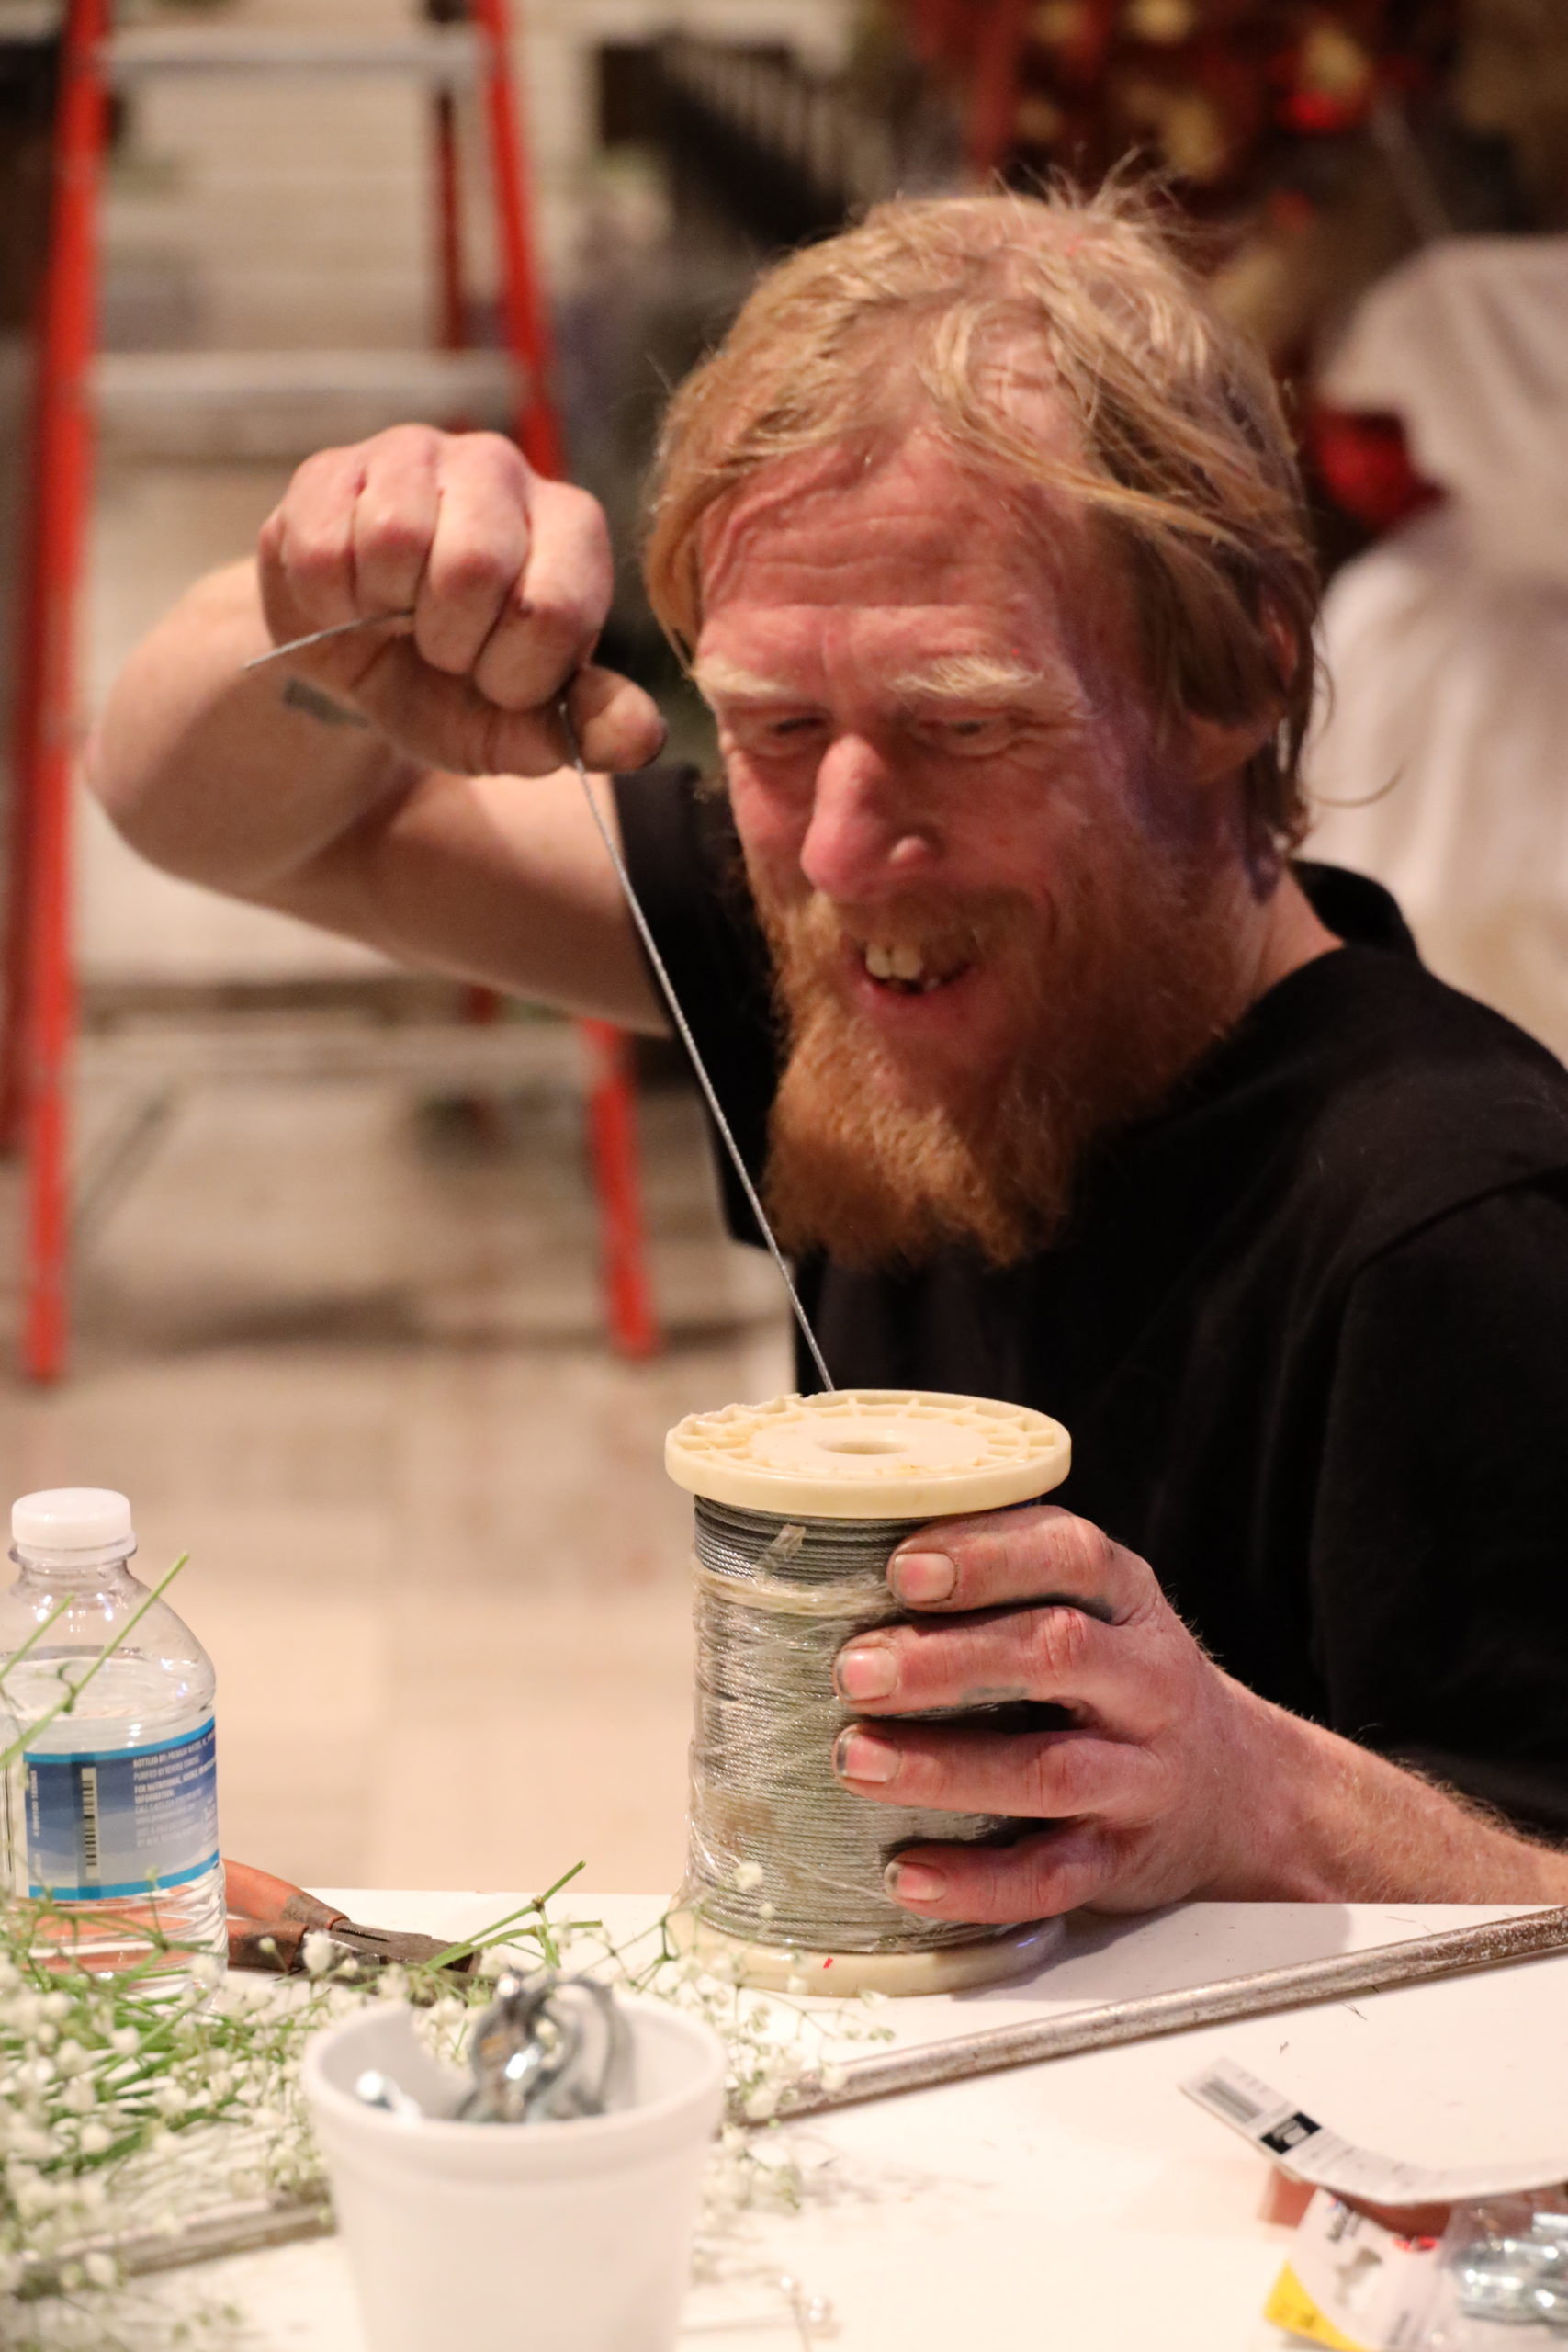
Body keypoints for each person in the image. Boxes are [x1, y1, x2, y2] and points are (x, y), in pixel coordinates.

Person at [90, 187, 1568, 1924]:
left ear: (1234, 679)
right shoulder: (854, 961)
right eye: (778, 727)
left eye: (962, 724)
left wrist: (1255, 1794)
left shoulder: (1456, 1224)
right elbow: (194, 810)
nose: (847, 856)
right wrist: (330, 624)